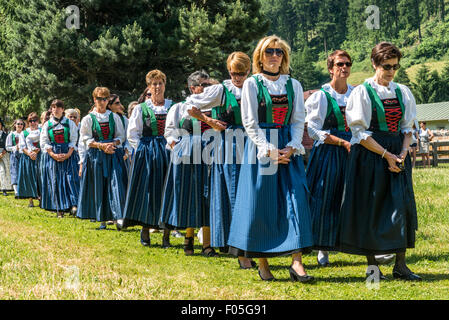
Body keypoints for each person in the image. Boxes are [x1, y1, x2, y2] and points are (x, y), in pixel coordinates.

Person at [227, 35, 314, 282]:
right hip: (261, 150)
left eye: (279, 52)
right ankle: (263, 264)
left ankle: (297, 263)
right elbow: (249, 122)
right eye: (269, 52)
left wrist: (292, 146)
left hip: (288, 147)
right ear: (260, 57)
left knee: (295, 200)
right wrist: (268, 149)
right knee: (260, 204)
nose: (274, 56)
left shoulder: (293, 85)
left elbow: (298, 120)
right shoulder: (252, 84)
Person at [339, 42, 421, 281]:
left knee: (401, 205)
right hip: (371, 153)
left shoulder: (402, 91)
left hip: (397, 151)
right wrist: (386, 155)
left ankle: (401, 265)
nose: (391, 71)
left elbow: (408, 128)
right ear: (374, 64)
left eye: (395, 66)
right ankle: (373, 268)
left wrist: (403, 153)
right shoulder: (362, 92)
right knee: (372, 207)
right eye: (386, 66)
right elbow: (360, 133)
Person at [183, 52, 256, 268]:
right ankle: (241, 251)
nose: (238, 78)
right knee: (234, 195)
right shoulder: (222, 90)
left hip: (254, 143)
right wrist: (207, 119)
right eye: (234, 73)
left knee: (253, 194)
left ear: (249, 71)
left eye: (242, 73)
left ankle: (253, 245)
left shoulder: (255, 86)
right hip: (230, 145)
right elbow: (189, 104)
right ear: (228, 71)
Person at [160, 70, 218, 257]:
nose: (208, 88)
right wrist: (176, 147)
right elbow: (169, 131)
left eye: (209, 85)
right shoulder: (179, 107)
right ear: (193, 88)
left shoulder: (215, 106)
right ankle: (189, 239)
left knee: (208, 195)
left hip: (212, 152)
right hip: (187, 153)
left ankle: (207, 244)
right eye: (204, 85)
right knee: (191, 194)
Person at [305, 50, 353, 267]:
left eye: (347, 64)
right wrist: (340, 141)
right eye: (340, 64)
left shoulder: (357, 93)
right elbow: (313, 130)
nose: (344, 68)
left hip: (354, 149)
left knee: (355, 196)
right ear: (331, 68)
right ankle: (323, 247)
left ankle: (357, 244)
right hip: (329, 150)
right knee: (326, 195)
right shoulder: (321, 96)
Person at [119, 70, 173, 247]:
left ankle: (166, 234)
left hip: (168, 151)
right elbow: (133, 133)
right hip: (148, 153)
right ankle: (145, 229)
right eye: (154, 84)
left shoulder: (173, 106)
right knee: (148, 190)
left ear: (165, 85)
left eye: (160, 83)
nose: (157, 87)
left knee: (168, 190)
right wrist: (142, 150)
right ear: (149, 87)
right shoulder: (141, 109)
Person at [76, 87, 127, 229]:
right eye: (99, 99)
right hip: (95, 156)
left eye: (105, 99)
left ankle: (118, 217)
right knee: (99, 185)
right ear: (94, 99)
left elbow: (121, 136)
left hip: (112, 154)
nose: (102, 102)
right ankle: (102, 218)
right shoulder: (88, 119)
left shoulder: (114, 117)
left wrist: (112, 144)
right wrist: (101, 146)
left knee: (115, 184)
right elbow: (85, 139)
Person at [40, 100, 80, 217]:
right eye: (53, 107)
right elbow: (44, 141)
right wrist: (53, 154)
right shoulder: (47, 124)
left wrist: (68, 154)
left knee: (71, 179)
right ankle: (59, 209)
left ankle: (74, 205)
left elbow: (73, 139)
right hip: (53, 155)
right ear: (51, 110)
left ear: (63, 109)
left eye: (58, 107)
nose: (56, 109)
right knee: (56, 180)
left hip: (69, 153)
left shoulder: (70, 123)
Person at [17, 112, 42, 207]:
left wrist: (36, 152)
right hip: (27, 158)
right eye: (31, 121)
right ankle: (30, 200)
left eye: (35, 120)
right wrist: (30, 153)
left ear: (38, 121)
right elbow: (22, 147)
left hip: (39, 157)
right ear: (28, 122)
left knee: (39, 178)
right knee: (29, 178)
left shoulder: (42, 130)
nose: (33, 122)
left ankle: (41, 198)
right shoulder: (24, 133)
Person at [5, 119, 25, 197]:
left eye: (21, 124)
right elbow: (7, 147)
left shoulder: (25, 134)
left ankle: (23, 191)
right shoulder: (11, 135)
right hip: (14, 155)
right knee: (15, 172)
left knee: (23, 172)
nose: (20, 125)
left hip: (23, 155)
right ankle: (16, 191)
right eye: (18, 124)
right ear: (15, 125)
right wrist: (14, 147)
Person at [0, 117, 12, 195]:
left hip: (3, 154)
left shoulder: (5, 135)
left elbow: (7, 145)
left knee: (3, 171)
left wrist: (2, 153)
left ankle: (4, 188)